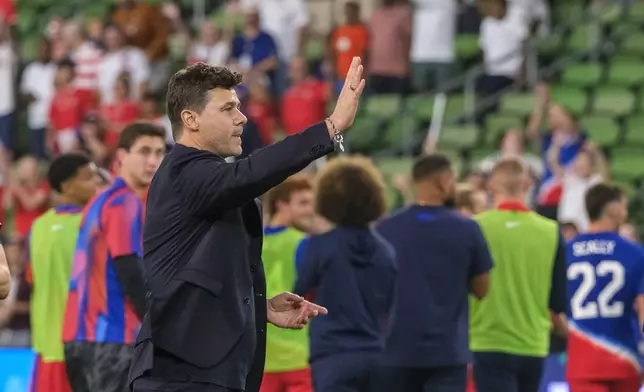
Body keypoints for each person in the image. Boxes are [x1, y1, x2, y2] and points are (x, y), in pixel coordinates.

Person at [128, 58, 365, 392]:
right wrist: (331, 127)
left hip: (205, 371)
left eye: (238, 107)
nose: (242, 118)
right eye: (227, 109)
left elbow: (202, 270)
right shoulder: (185, 172)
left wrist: (258, 306)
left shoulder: (209, 180)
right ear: (190, 119)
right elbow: (250, 173)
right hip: (182, 373)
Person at [375, 154, 493, 392]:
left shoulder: (386, 229)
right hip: (448, 353)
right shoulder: (468, 229)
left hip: (395, 351)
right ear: (444, 180)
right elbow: (483, 289)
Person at [63, 123, 166, 392]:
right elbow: (129, 269)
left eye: (159, 152)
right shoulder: (125, 203)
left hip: (78, 336)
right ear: (121, 156)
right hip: (112, 337)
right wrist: (160, 327)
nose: (153, 161)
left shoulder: (99, 201)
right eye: (144, 151)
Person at [294, 155, 396, 392]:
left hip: (333, 355)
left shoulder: (318, 246)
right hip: (378, 354)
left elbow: (300, 292)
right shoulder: (386, 251)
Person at [470, 158, 567, 392]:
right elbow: (557, 301)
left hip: (487, 340)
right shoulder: (551, 231)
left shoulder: (474, 227)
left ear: (491, 186)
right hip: (533, 343)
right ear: (527, 185)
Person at [26, 153, 100, 392]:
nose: (96, 182)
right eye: (89, 177)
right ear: (67, 186)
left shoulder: (38, 227)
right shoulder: (93, 225)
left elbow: (31, 278)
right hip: (83, 349)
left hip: (46, 350)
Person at [566, 183, 644, 392]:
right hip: (625, 360)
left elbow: (551, 307)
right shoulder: (635, 253)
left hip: (583, 362)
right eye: (624, 206)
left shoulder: (565, 253)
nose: (626, 212)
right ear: (613, 210)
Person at [261, 174, 315, 392]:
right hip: (298, 357)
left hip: (259, 359)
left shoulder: (249, 241)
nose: (310, 210)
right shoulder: (304, 243)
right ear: (281, 205)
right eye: (303, 203)